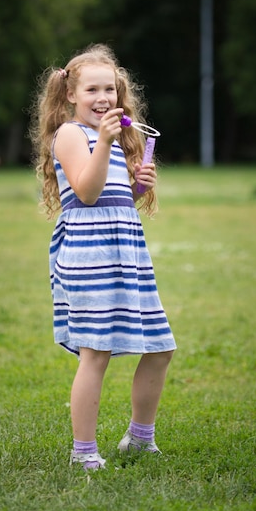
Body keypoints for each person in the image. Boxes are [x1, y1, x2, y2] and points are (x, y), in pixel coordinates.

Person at [31, 44, 176, 471]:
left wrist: (139, 188)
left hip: (125, 253)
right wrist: (106, 142)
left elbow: (113, 199)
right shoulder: (73, 135)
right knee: (97, 353)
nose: (103, 98)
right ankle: (83, 452)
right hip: (89, 254)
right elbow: (87, 193)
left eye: (110, 89)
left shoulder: (111, 139)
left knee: (160, 347)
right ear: (70, 95)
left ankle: (139, 439)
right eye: (92, 89)